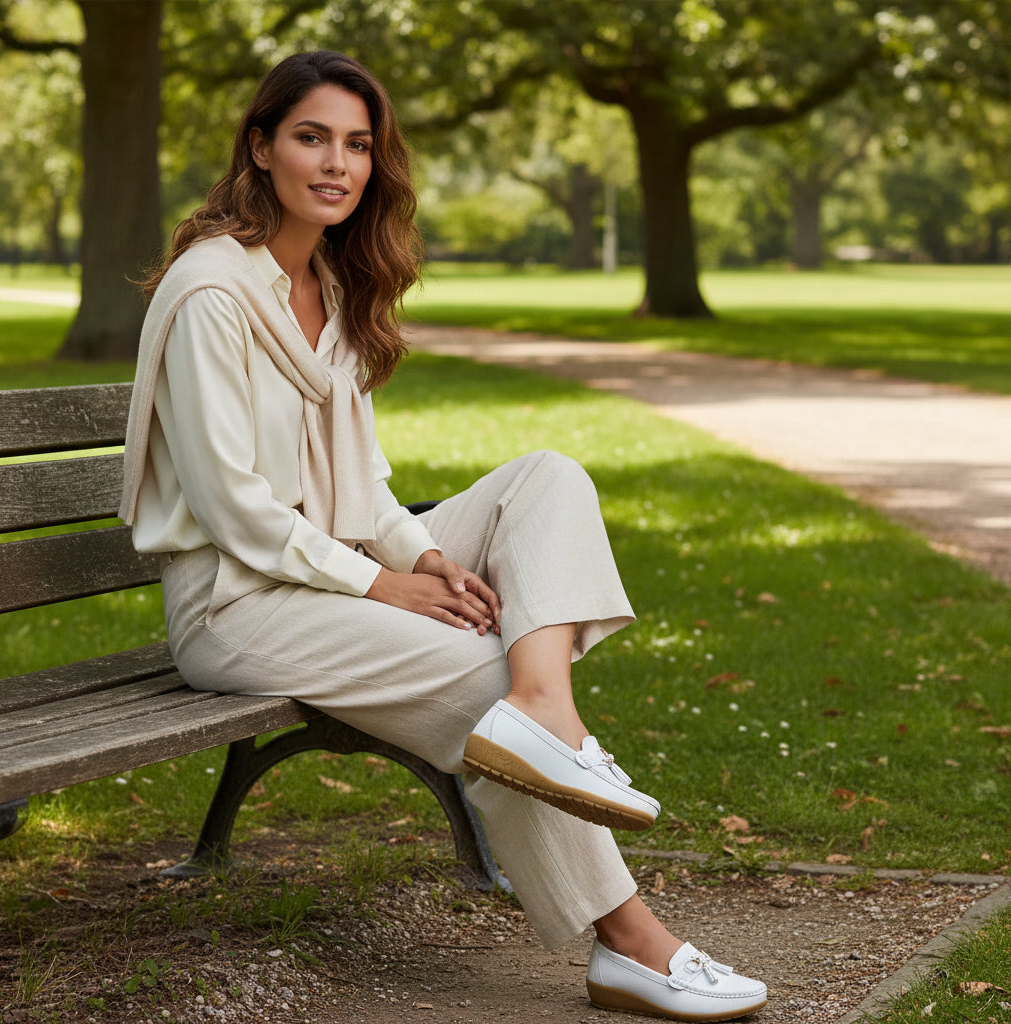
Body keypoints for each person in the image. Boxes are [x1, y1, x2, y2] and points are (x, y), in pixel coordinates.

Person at [120, 50, 767, 1021]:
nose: (336, 163)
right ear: (259, 149)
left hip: (326, 563)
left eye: (357, 144)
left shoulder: (327, 287)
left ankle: (547, 709)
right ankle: (630, 942)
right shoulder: (214, 293)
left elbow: (366, 482)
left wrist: (418, 552)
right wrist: (387, 587)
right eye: (310, 138)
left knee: (545, 481)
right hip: (237, 605)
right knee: (478, 682)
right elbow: (234, 512)